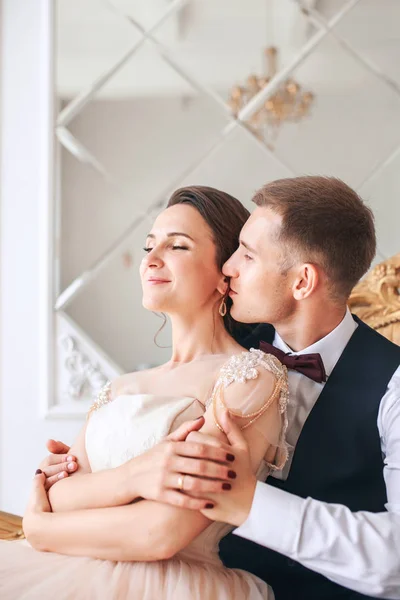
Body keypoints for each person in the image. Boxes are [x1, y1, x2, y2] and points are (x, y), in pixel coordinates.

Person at [43, 176, 400, 600]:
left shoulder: (391, 383)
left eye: (246, 256)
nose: (228, 268)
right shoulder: (227, 364)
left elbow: (395, 558)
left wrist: (251, 504)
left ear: (303, 282)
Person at [0, 186, 289, 600]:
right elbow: (61, 494)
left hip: (172, 583)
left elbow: (161, 533)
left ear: (224, 271)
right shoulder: (120, 388)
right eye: (149, 245)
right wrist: (134, 475)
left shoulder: (248, 376)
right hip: (62, 570)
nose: (151, 259)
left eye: (178, 246)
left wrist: (40, 527)